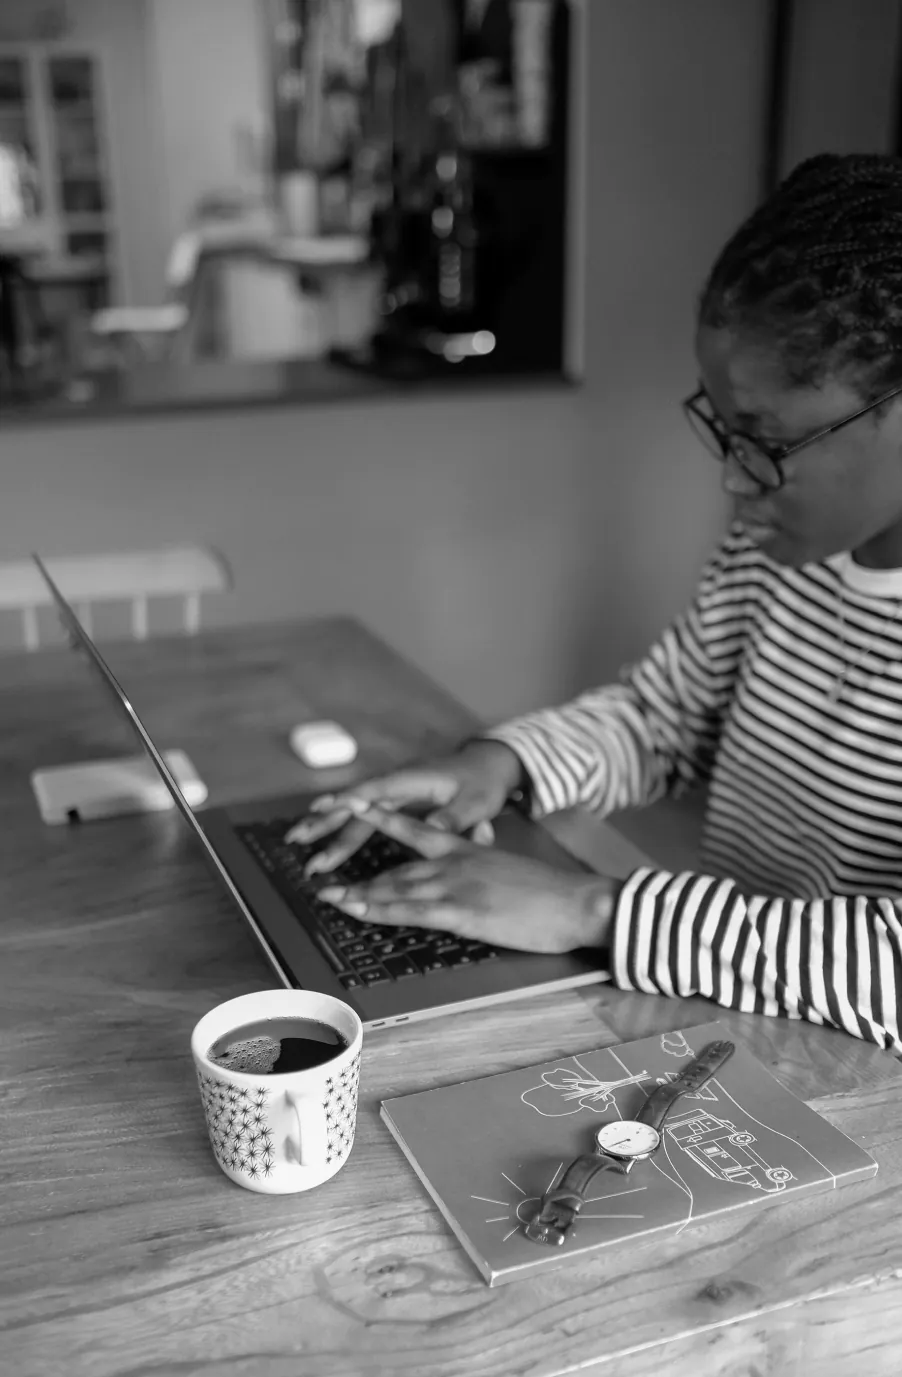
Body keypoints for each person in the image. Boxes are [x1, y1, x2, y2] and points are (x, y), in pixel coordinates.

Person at [290, 151, 902, 1060]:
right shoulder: (777, 548)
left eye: (767, 443)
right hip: (723, 1013)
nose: (732, 479)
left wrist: (596, 907)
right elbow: (667, 716)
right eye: (724, 430)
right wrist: (497, 763)